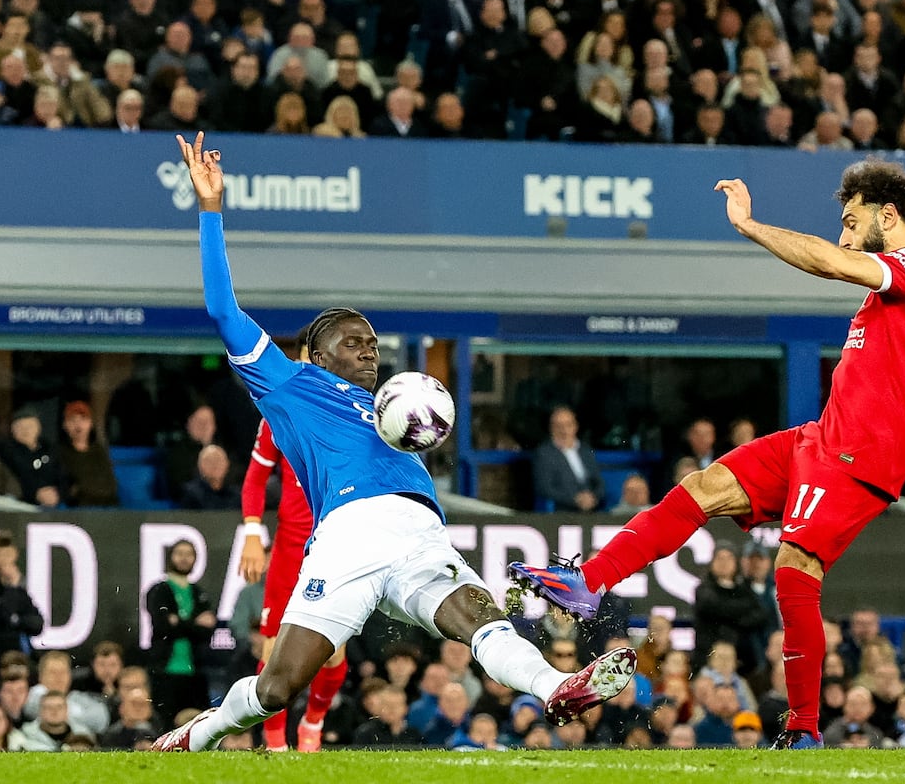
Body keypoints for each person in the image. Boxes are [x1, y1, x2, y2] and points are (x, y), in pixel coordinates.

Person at [511, 158, 905, 750]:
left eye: (852, 224)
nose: (844, 237)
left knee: (794, 566)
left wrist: (750, 226)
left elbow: (830, 264)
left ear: (889, 216)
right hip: (821, 440)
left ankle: (803, 731)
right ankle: (588, 582)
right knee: (702, 487)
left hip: (861, 459)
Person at [153, 133, 635, 753]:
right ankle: (200, 734)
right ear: (316, 353)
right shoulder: (292, 385)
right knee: (278, 687)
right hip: (350, 533)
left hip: (420, 533)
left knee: (480, 616)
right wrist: (211, 209)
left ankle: (556, 685)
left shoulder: (390, 409)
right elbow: (223, 309)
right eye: (354, 341)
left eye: (373, 343)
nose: (369, 349)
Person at [238, 325, 351, 752]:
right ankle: (274, 744)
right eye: (307, 356)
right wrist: (252, 532)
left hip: (337, 545)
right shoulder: (279, 414)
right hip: (290, 544)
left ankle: (314, 721)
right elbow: (254, 480)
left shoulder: (352, 410)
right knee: (274, 647)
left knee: (334, 650)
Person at [146, 539, 216, 725]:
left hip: (195, 672)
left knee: (198, 726)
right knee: (164, 724)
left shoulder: (199, 592)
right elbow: (163, 625)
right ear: (170, 557)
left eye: (189, 554)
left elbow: (207, 631)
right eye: (180, 553)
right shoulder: (159, 590)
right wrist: (195, 623)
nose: (184, 558)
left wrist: (178, 621)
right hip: (164, 671)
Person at [0, 531, 44, 660]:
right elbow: (0, 620)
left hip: (17, 654)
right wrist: (13, 588)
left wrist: (16, 620)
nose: (3, 560)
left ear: (15, 556)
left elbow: (37, 625)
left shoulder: (17, 588)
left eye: (8, 555)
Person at [531, 406, 604, 512]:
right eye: (558, 426)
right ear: (551, 428)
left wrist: (593, 498)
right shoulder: (544, 454)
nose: (564, 430)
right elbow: (545, 488)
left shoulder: (585, 451)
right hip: (563, 510)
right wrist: (575, 499)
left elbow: (599, 482)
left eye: (568, 425)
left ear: (575, 427)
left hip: (592, 507)